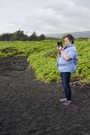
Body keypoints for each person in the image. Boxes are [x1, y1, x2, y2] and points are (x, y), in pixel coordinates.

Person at [56, 34, 78, 106]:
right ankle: (66, 97)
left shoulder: (72, 49)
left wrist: (62, 51)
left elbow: (67, 58)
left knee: (66, 85)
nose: (65, 42)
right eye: (64, 41)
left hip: (67, 69)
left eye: (66, 41)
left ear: (71, 41)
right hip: (62, 69)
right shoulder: (65, 48)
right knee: (64, 84)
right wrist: (59, 51)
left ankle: (69, 100)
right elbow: (60, 56)